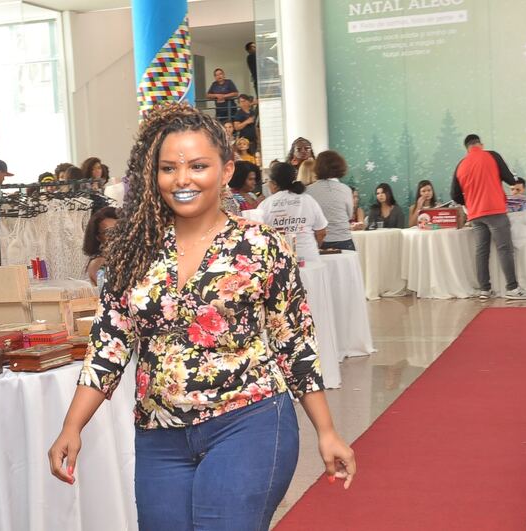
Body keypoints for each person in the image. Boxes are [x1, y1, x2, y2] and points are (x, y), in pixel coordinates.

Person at [48, 104, 355, 531]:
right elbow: (108, 346)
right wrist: (72, 425)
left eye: (197, 166)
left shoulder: (261, 245)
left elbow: (294, 341)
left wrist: (327, 430)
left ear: (226, 170)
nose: (182, 179)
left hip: (249, 421)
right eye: (168, 168)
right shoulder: (133, 250)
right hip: (160, 434)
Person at [451, 134, 526, 300]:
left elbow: (454, 195)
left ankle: (484, 289)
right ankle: (512, 288)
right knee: (504, 249)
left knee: (481, 252)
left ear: (467, 148)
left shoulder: (461, 164)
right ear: (481, 144)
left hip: (475, 215)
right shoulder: (492, 156)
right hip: (495, 210)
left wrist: (470, 201)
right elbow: (511, 180)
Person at [259, 162, 328, 261]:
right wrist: (312, 247)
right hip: (309, 257)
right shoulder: (308, 200)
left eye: (267, 181)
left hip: (280, 260)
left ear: (274, 184)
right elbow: (321, 232)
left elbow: (259, 235)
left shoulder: (265, 205)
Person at [307, 150, 356, 251]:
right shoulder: (346, 189)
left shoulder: (308, 191)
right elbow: (349, 215)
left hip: (319, 241)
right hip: (344, 239)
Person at [83, 206, 119, 288]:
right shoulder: (99, 262)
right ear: (98, 237)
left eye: (119, 229)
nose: (115, 235)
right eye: (108, 232)